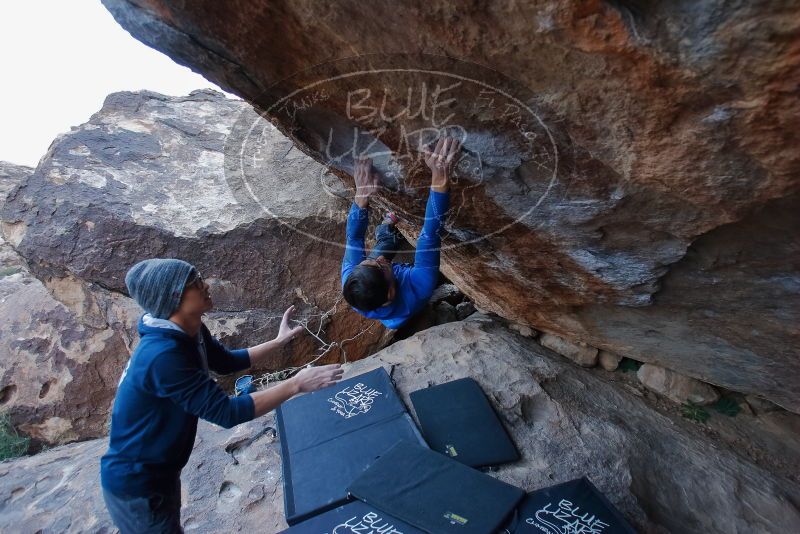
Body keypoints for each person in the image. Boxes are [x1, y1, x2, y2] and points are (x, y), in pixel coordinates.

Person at [100, 258, 343, 533]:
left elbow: (225, 362)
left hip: (162, 470)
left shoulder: (187, 329)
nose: (205, 286)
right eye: (195, 283)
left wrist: (278, 342)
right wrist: (295, 385)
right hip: (138, 483)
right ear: (174, 298)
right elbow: (226, 413)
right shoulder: (163, 355)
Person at [341, 135, 460, 329]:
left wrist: (361, 197)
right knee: (394, 256)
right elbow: (429, 235)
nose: (379, 260)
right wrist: (440, 178)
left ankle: (387, 228)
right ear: (390, 293)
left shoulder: (353, 284)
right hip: (406, 303)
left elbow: (354, 237)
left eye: (369, 261)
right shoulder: (419, 286)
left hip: (386, 299)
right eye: (380, 266)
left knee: (385, 244)